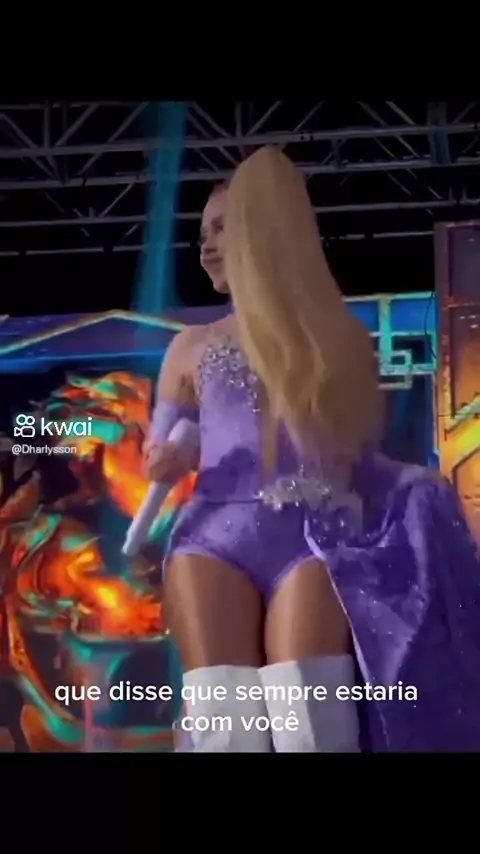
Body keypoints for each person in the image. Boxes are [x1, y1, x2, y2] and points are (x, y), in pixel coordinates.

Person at [144, 147, 480, 752]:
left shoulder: (336, 337)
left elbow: (358, 451)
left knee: (311, 719)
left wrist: (412, 488)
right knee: (227, 725)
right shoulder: (189, 347)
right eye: (202, 235)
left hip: (313, 539)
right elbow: (160, 447)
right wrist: (166, 459)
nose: (206, 247)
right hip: (210, 537)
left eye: (221, 228)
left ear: (263, 231)